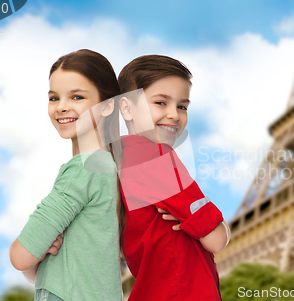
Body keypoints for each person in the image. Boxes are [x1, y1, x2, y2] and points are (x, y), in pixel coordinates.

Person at [9, 49, 124, 301]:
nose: (61, 107)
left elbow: (20, 256)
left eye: (77, 96)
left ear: (107, 107)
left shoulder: (84, 168)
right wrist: (39, 253)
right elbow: (40, 269)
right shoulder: (109, 167)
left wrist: (34, 250)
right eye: (53, 98)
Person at [116, 55, 231, 301]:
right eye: (160, 102)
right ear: (126, 108)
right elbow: (216, 239)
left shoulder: (119, 162)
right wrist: (217, 227)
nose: (174, 115)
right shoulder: (157, 159)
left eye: (182, 106)